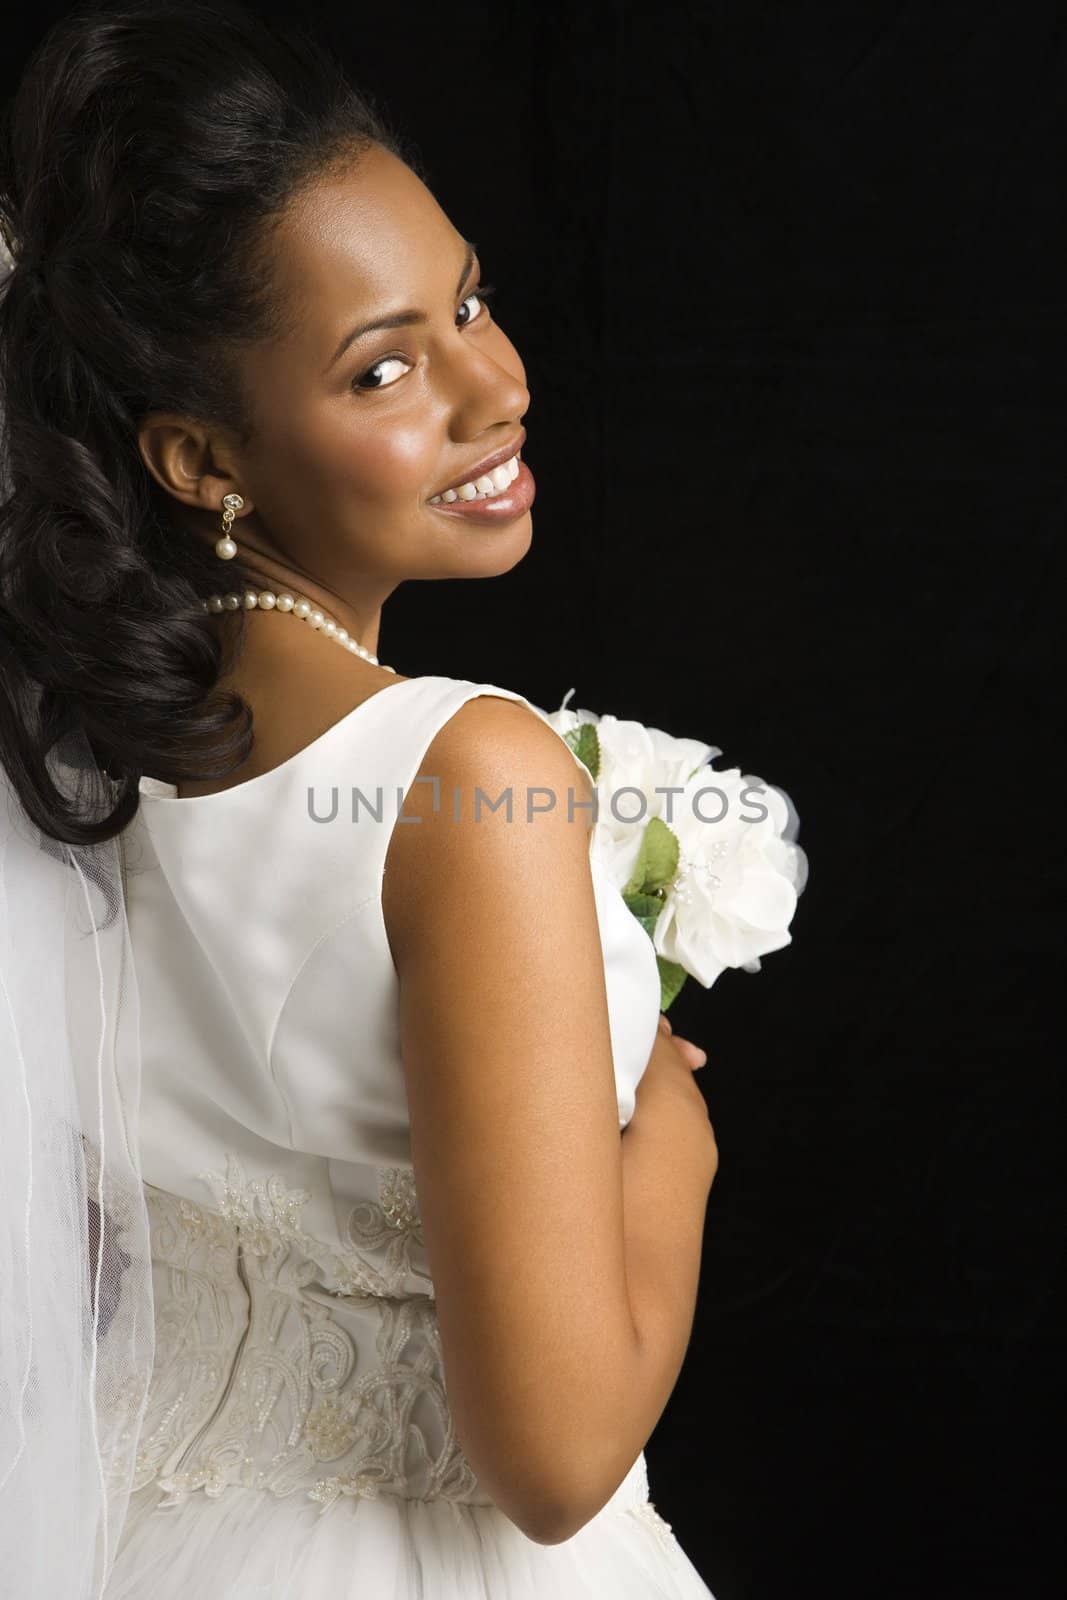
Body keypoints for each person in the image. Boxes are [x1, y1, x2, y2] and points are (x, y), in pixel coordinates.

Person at [0, 2, 719, 1594]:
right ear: (201, 462)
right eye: (387, 365)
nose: (491, 389)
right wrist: (669, 1137)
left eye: (470, 302)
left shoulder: (70, 759)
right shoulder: (470, 776)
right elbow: (551, 1456)